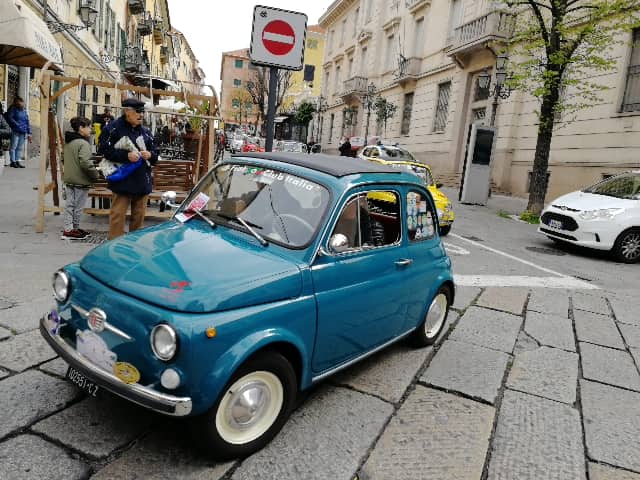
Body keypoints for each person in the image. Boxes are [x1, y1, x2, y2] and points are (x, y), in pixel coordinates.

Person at [98, 98, 158, 240]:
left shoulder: (146, 132)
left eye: (142, 112)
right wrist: (126, 156)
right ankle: (113, 246)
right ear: (127, 111)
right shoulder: (112, 128)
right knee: (117, 217)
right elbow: (103, 150)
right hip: (122, 181)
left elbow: (156, 153)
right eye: (138, 111)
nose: (141, 115)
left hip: (142, 181)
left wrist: (150, 155)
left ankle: (133, 246)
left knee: (138, 219)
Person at [61, 117, 99, 240]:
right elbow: (86, 163)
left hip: (69, 179)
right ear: (81, 128)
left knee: (69, 205)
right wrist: (95, 175)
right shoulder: (83, 143)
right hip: (81, 180)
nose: (90, 129)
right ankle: (72, 229)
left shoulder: (68, 142)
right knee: (78, 207)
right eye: (88, 127)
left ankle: (70, 228)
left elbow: (63, 159)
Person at [4, 96, 31, 168]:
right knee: (13, 146)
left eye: (22, 102)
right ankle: (13, 162)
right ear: (16, 102)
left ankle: (17, 160)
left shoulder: (24, 110)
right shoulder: (13, 109)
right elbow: (10, 118)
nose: (22, 103)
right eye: (20, 102)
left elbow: (27, 121)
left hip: (23, 131)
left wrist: (29, 133)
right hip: (15, 130)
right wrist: (17, 124)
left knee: (19, 147)